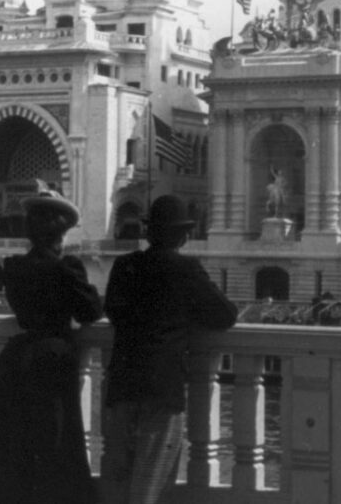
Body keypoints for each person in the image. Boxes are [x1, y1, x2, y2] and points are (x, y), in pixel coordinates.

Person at [0, 182, 103, 504]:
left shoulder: (15, 267)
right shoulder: (66, 268)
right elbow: (90, 311)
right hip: (53, 362)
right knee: (56, 447)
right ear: (61, 234)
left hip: (17, 360)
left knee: (10, 448)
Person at [102, 194, 238, 504]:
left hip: (121, 380)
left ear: (149, 232)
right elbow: (224, 315)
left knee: (117, 475)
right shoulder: (185, 269)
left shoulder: (124, 266)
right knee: (150, 481)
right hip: (161, 386)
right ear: (183, 236)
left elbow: (113, 310)